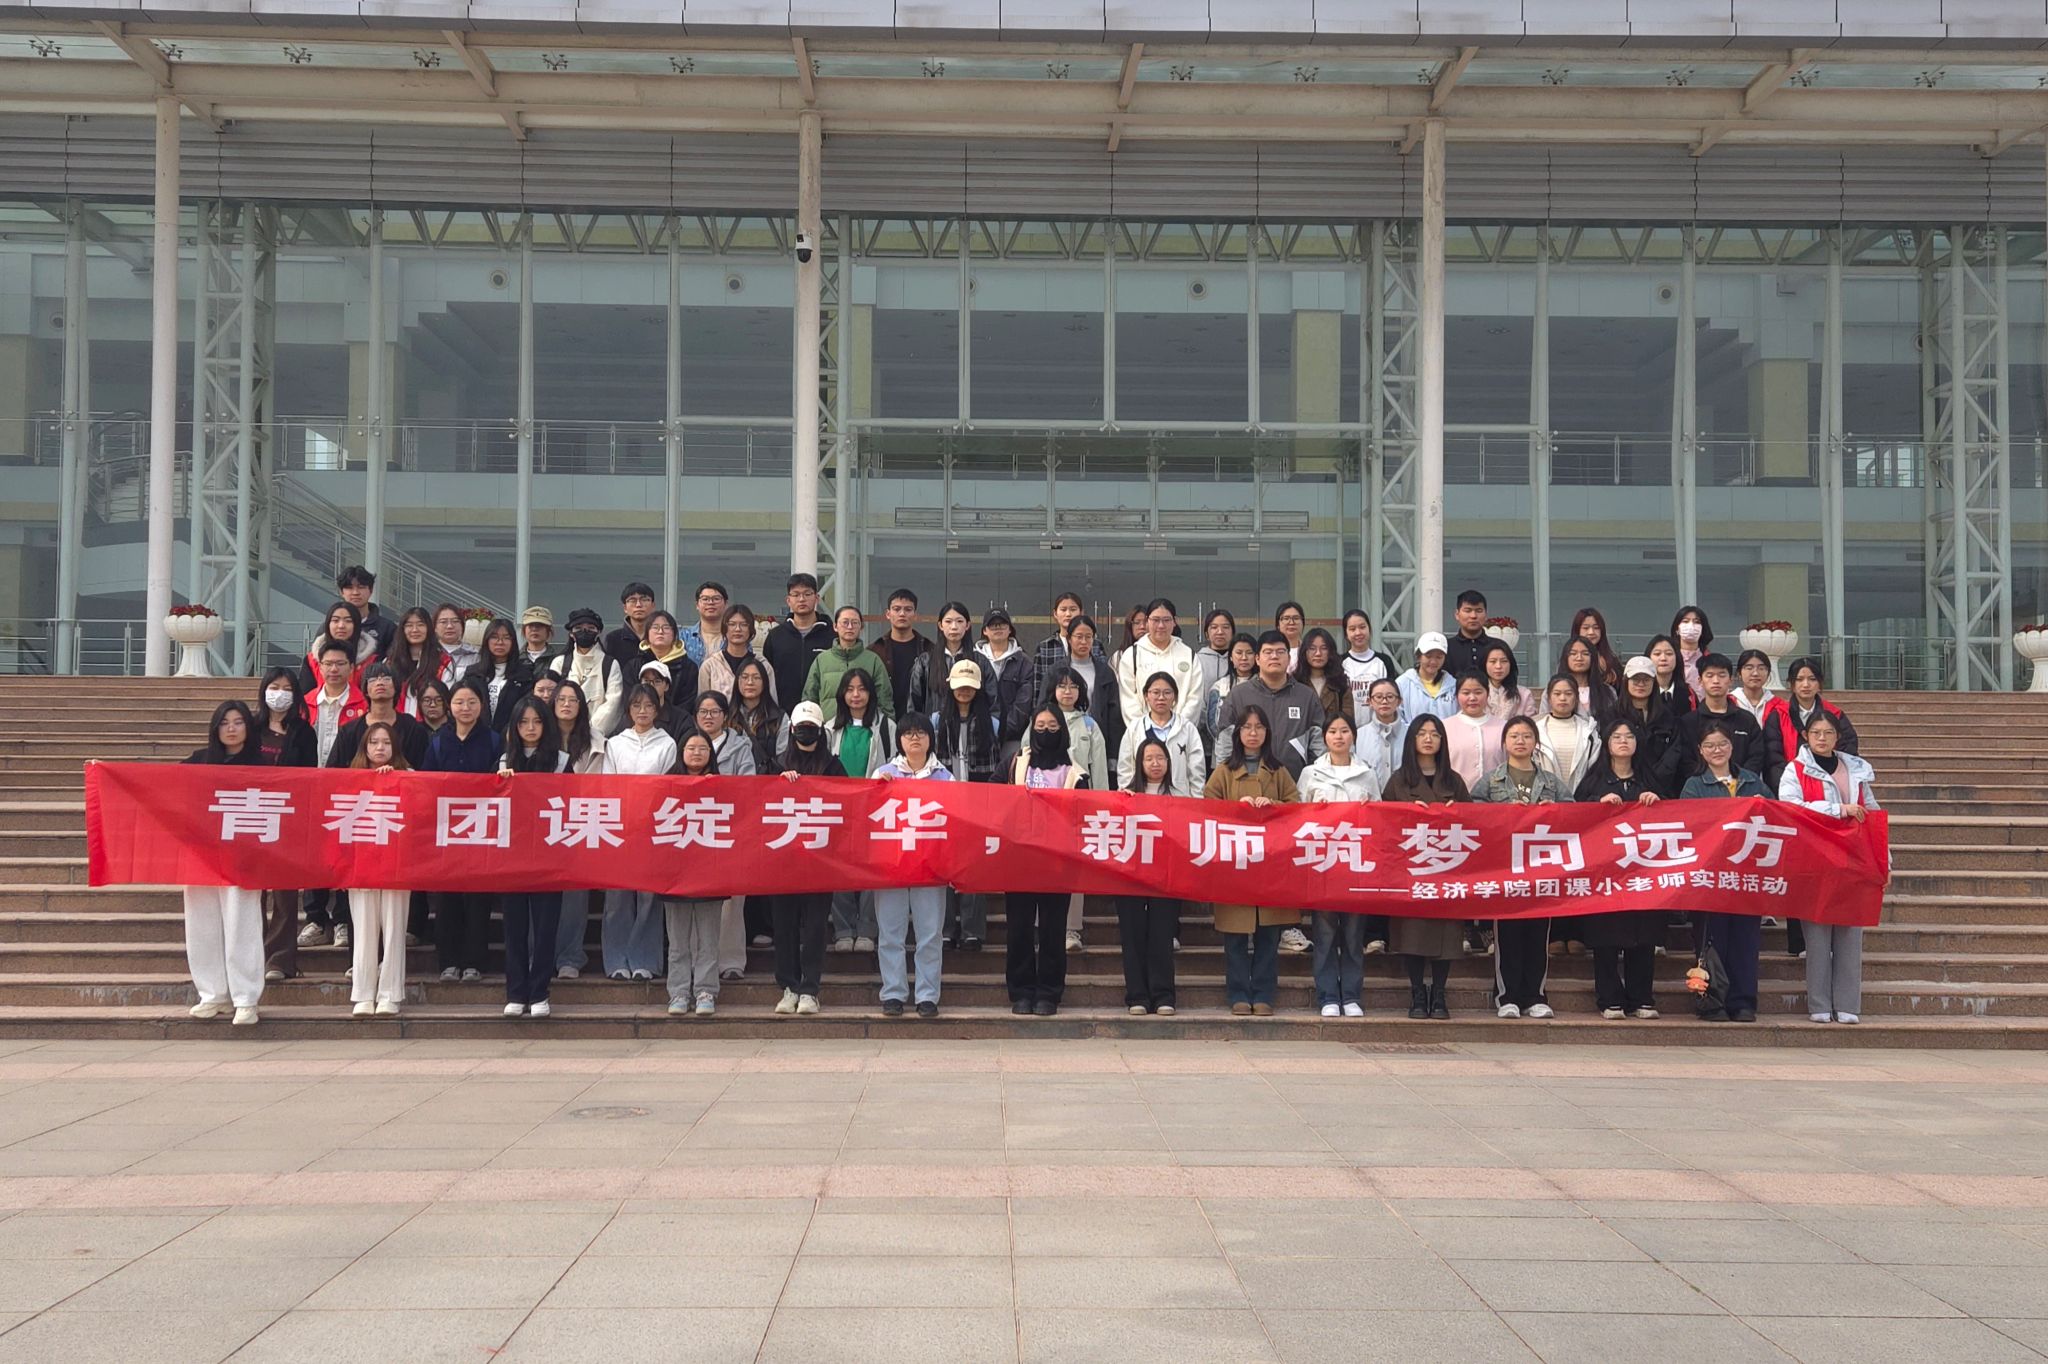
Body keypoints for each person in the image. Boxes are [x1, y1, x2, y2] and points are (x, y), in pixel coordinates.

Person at [1780, 709, 1882, 1025]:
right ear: (1806, 737)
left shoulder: (1855, 768)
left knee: (1850, 932)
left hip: (1854, 857)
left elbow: (1873, 813)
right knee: (1817, 936)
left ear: (1838, 737)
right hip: (1814, 858)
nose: (1822, 738)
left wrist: (1884, 859)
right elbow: (1790, 807)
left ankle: (1848, 1004)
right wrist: (1837, 809)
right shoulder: (1795, 769)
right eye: (1816, 733)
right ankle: (1820, 1003)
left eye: (1828, 733)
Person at [1204, 706, 1300, 1016]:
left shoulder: (1278, 770)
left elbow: (1296, 808)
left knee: (1268, 937)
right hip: (1235, 864)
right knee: (1234, 938)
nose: (1253, 733)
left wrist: (1273, 805)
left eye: (1259, 727)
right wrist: (1236, 807)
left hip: (1270, 865)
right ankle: (1238, 994)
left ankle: (1263, 994)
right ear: (1238, 733)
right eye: (1247, 727)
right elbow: (1207, 808)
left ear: (1267, 733)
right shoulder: (1224, 771)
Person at [1473, 716, 1566, 1019]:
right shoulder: (1492, 780)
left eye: (1527, 735)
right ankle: (1507, 997)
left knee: (1538, 935)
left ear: (1535, 742)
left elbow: (1575, 812)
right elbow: (1471, 812)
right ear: (1504, 742)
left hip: (1542, 870)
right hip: (1504, 869)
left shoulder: (1550, 781)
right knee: (1508, 935)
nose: (1520, 741)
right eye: (1514, 736)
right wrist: (1502, 812)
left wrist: (1553, 811)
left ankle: (1535, 996)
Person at [1679, 722, 1770, 1024]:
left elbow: (1776, 817)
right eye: (1709, 745)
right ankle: (1712, 1000)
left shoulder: (1753, 782)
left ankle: (1743, 1002)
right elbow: (1688, 827)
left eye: (1722, 744)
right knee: (1711, 941)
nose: (1716, 750)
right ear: (1700, 751)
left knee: (1746, 941)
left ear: (1732, 747)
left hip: (1746, 876)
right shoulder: (1694, 786)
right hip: (1709, 877)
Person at [182, 700, 266, 1026]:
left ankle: (246, 998)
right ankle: (213, 994)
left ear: (249, 726)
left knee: (242, 925)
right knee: (201, 925)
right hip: (202, 856)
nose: (231, 728)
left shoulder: (261, 764)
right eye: (224, 723)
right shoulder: (198, 761)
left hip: (242, 857)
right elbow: (158, 784)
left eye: (238, 722)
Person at [1576, 718, 1666, 1021]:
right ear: (1607, 743)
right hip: (1606, 874)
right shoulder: (1594, 781)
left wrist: (1657, 802)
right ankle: (1609, 999)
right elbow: (1575, 815)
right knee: (1606, 937)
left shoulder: (1649, 780)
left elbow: (1673, 819)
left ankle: (1642, 998)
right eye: (1617, 736)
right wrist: (1597, 804)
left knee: (1644, 936)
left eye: (1629, 736)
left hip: (1643, 873)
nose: (1623, 741)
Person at [1382, 715, 1470, 1020]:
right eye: (1422, 733)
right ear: (1412, 740)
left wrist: (1457, 813)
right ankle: (1417, 992)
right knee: (1413, 933)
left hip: (1447, 869)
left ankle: (1440, 993)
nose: (1429, 739)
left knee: (1447, 933)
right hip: (1412, 870)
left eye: (1435, 734)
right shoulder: (1399, 781)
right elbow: (1383, 824)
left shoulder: (1453, 781)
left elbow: (1475, 823)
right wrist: (1407, 813)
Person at [1007, 706, 1090, 1017]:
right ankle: (1021, 991)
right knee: (1019, 928)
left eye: (1052, 725)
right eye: (1040, 725)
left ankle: (1049, 992)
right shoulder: (1016, 763)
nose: (1045, 731)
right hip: (1019, 859)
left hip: (1057, 860)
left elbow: (1084, 813)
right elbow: (992, 796)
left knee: (1053, 931)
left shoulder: (1075, 773)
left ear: (1063, 731)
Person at [1299, 713, 1379, 1018]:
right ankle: (1328, 995)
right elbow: (1296, 816)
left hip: (1356, 864)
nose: (1339, 736)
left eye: (1344, 731)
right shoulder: (1311, 773)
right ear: (1325, 737)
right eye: (1333, 731)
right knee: (1325, 934)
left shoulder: (1366, 774)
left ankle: (1352, 995)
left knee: (1354, 935)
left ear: (1353, 736)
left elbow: (1379, 817)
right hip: (1323, 863)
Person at [421, 678, 501, 984]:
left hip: (482, 831)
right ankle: (448, 961)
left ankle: (474, 962)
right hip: (447, 832)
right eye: (459, 702)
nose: (465, 708)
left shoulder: (494, 740)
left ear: (481, 706)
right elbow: (427, 783)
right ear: (449, 706)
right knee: (447, 900)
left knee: (478, 900)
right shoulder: (438, 741)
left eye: (471, 702)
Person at [871, 713, 951, 1019]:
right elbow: (867, 815)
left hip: (930, 867)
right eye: (908, 733)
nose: (914, 738)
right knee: (890, 932)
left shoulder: (946, 777)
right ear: (899, 740)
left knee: (930, 934)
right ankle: (893, 992)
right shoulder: (883, 774)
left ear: (931, 738)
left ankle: (927, 995)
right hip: (890, 866)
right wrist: (877, 789)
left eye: (921, 733)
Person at [496, 696, 568, 1019]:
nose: (530, 728)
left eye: (537, 722)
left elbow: (572, 803)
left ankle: (540, 992)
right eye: (524, 722)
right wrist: (502, 785)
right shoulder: (503, 761)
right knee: (514, 928)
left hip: (549, 857)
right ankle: (516, 992)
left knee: (545, 929)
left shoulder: (561, 761)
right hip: (512, 857)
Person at [599, 684, 675, 982]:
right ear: (628, 710)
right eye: (636, 705)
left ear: (657, 709)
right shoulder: (616, 744)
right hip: (620, 828)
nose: (642, 711)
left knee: (648, 899)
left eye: (648, 706)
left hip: (653, 829)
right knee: (617, 898)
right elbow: (608, 786)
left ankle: (645, 960)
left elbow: (669, 787)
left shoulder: (667, 743)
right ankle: (616, 960)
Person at [295, 639, 368, 950]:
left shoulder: (363, 705)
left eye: (340, 664)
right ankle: (315, 919)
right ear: (319, 667)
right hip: (311, 789)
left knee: (344, 854)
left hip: (348, 792)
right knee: (313, 855)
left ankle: (341, 921)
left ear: (352, 668)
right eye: (328, 664)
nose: (334, 669)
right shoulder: (305, 703)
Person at [773, 702, 840, 1015]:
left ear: (820, 730)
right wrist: (778, 783)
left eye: (811, 728)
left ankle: (810, 989)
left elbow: (849, 803)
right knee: (784, 926)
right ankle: (789, 987)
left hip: (820, 862)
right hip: (783, 861)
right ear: (792, 730)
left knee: (815, 927)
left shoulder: (833, 766)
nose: (806, 732)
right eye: (801, 727)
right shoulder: (777, 765)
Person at [250, 668, 314, 982]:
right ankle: (250, 956)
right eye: (274, 687)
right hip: (249, 817)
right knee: (251, 894)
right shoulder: (250, 727)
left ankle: (280, 959)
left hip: (287, 818)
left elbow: (309, 774)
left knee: (285, 894)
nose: (280, 693)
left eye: (287, 688)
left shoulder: (303, 732)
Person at [344, 721, 410, 1018]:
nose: (380, 748)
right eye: (374, 742)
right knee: (363, 930)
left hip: (397, 865)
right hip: (361, 864)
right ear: (364, 747)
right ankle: (363, 993)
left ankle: (390, 994)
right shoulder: (350, 778)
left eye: (386, 742)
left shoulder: (409, 776)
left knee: (394, 929)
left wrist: (394, 780)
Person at [659, 731, 727, 1018]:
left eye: (702, 748)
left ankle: (705, 991)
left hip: (711, 874)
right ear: (681, 752)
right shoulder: (666, 785)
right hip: (675, 875)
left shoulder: (723, 787)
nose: (696, 753)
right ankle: (678, 992)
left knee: (708, 940)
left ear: (711, 753)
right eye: (691, 747)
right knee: (678, 942)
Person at [935, 662, 1001, 951]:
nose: (964, 691)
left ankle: (973, 930)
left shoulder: (992, 723)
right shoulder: (936, 721)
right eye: (960, 685)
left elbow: (996, 767)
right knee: (944, 866)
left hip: (977, 803)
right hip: (944, 802)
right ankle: (947, 928)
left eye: (969, 686)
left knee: (974, 867)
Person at [1116, 736, 1183, 1017]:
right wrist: (1122, 806)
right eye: (1149, 759)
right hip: (1130, 875)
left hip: (1166, 875)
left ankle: (1163, 994)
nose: (1155, 764)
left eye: (1160, 758)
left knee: (1161, 935)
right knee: (1132, 935)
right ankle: (1137, 996)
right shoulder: (1124, 796)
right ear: (1139, 763)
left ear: (1168, 762)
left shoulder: (1180, 798)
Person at [828, 668, 893, 952]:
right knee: (839, 869)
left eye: (862, 688)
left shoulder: (887, 728)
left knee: (871, 870)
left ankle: (867, 929)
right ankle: (843, 929)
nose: (856, 695)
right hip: (839, 810)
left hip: (875, 809)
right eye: (850, 689)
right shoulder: (830, 729)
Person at [1046, 664, 1110, 953]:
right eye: (1062, 686)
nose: (1067, 691)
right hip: (1045, 808)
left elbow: (1099, 771)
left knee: (1072, 868)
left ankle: (1071, 929)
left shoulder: (1089, 725)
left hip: (1078, 808)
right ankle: (1045, 927)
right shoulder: (1041, 720)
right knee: (1043, 867)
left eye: (1073, 686)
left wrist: (1101, 807)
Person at [1215, 629, 1326, 780]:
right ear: (1257, 659)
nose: (1274, 656)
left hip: (1295, 784)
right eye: (1268, 652)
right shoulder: (1238, 695)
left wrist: (1316, 780)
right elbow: (1225, 744)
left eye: (1280, 652)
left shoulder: (1306, 696)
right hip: (1247, 784)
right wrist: (1226, 779)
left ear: (1289, 658)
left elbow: (1319, 746)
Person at [550, 680, 605, 980]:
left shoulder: (596, 740)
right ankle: (541, 954)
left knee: (575, 896)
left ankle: (570, 956)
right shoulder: (539, 733)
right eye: (561, 699)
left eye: (573, 699)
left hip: (581, 822)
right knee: (542, 895)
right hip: (544, 823)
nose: (567, 704)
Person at [1760, 657, 1861, 790]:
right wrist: (1788, 788)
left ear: (1820, 683)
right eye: (1799, 679)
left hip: (1830, 787)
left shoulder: (1835, 715)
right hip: (1789, 787)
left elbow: (1848, 752)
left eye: (1812, 679)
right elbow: (1773, 759)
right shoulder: (1778, 715)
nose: (1806, 684)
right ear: (1791, 684)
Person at [1675, 653, 1764, 783]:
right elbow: (1686, 760)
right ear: (1700, 681)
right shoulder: (1688, 722)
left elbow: (1756, 757)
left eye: (1722, 675)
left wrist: (1738, 781)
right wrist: (1709, 782)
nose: (1716, 681)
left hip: (1742, 787)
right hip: (1701, 789)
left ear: (1731, 680)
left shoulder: (1746, 720)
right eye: (1709, 675)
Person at [1114, 597, 1200, 729]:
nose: (1161, 625)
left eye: (1166, 620)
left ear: (1174, 622)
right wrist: (1146, 730)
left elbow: (1195, 698)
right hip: (1143, 735)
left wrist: (1177, 729)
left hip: (1182, 733)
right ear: (1147, 621)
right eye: (1155, 620)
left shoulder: (1189, 655)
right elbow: (1128, 700)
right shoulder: (1132, 655)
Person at [327, 663, 428, 771]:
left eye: (386, 679)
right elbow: (333, 771)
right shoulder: (349, 731)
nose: (380, 683)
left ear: (396, 687)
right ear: (366, 689)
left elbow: (424, 772)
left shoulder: (413, 728)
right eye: (373, 680)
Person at [1117, 670, 1206, 793]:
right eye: (1155, 692)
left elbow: (1197, 771)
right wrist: (1127, 793)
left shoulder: (1187, 728)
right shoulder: (1135, 728)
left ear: (1175, 696)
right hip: (1142, 798)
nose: (1161, 698)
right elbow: (1125, 768)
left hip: (1179, 797)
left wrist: (1196, 799)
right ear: (1146, 696)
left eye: (1167, 693)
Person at [803, 604, 893, 724]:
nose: (850, 627)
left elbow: (885, 700)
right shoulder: (822, 660)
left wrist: (887, 727)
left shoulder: (873, 660)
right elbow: (809, 699)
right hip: (829, 728)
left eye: (855, 623)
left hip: (865, 729)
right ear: (835, 626)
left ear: (861, 627)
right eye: (845, 622)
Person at [1608, 656, 1683, 795]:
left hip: (1662, 790)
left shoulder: (1667, 715)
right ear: (1626, 681)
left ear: (1654, 682)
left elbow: (1674, 751)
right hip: (1623, 790)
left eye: (1646, 680)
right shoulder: (1612, 715)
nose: (1641, 684)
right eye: (1635, 679)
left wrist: (1654, 783)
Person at [907, 600, 995, 717]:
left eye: (959, 621)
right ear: (940, 625)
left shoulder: (980, 661)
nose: (954, 627)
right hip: (933, 726)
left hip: (974, 726)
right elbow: (914, 703)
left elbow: (994, 703)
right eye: (948, 621)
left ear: (967, 625)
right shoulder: (925, 661)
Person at [765, 572, 833, 709]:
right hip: (783, 713)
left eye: (807, 594)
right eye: (796, 595)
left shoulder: (832, 635)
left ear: (817, 598)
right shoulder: (776, 636)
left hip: (822, 712)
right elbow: (767, 675)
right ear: (788, 600)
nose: (801, 599)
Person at [550, 607, 623, 734]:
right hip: (561, 735)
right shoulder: (559, 663)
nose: (584, 632)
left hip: (598, 736)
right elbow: (551, 700)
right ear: (571, 634)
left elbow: (613, 703)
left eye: (591, 628)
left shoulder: (610, 664)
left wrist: (590, 733)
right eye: (578, 628)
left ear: (599, 632)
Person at [867, 587, 932, 720]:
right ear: (888, 614)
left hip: (919, 721)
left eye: (908, 609)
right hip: (883, 720)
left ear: (915, 615)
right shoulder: (874, 650)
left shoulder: (929, 649)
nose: (902, 614)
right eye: (896, 609)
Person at [465, 617, 535, 733]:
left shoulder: (524, 675)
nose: (500, 642)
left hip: (511, 735)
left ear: (513, 642)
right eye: (494, 637)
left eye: (506, 638)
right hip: (476, 735)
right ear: (486, 640)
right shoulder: (473, 673)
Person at [976, 607, 1035, 742]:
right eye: (992, 625)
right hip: (978, 735)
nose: (998, 627)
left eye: (1002, 624)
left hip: (1014, 737)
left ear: (1010, 629)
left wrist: (1003, 731)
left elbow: (1024, 703)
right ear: (985, 631)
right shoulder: (974, 659)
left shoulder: (1024, 662)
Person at [1535, 673, 1599, 793]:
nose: (1563, 698)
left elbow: (1594, 768)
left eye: (1568, 694)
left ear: (1576, 698)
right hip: (1544, 798)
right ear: (1549, 698)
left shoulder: (1589, 731)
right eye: (1557, 694)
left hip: (1581, 798)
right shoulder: (1535, 730)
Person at [1443, 672, 1506, 792]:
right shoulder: (1444, 727)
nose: (1472, 698)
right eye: (1466, 693)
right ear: (1457, 695)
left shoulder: (1503, 727)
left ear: (1487, 694)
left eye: (1478, 692)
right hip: (1456, 796)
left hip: (1496, 797)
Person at [299, 599, 374, 695]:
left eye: (348, 621)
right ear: (328, 625)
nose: (341, 626)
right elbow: (304, 696)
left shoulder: (371, 660)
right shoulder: (311, 661)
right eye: (335, 620)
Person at [386, 607, 450, 719]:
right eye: (409, 625)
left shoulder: (443, 662)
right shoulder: (391, 662)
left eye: (420, 625)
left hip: (431, 724)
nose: (415, 630)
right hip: (397, 724)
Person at [636, 610, 700, 717]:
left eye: (666, 627)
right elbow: (631, 699)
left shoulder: (689, 667)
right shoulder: (635, 665)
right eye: (655, 627)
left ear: (674, 634)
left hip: (677, 723)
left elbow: (687, 703)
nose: (660, 631)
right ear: (647, 633)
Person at [729, 657, 785, 777]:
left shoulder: (778, 717)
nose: (750, 682)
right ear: (737, 681)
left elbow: (783, 756)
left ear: (765, 682)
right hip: (733, 781)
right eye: (745, 677)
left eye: (756, 678)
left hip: (768, 781)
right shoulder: (726, 716)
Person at [1340, 610, 1399, 718]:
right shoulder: (1340, 662)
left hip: (1379, 724)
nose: (1358, 633)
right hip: (1348, 725)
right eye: (1352, 629)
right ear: (1346, 634)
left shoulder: (1384, 661)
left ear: (1369, 629)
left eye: (1362, 627)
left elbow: (1392, 695)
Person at [1355, 677, 1408, 795]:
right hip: (1369, 800)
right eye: (1378, 697)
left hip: (1404, 800)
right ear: (1369, 701)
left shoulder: (1410, 733)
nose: (1384, 701)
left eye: (1390, 697)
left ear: (1399, 701)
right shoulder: (1358, 735)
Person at [688, 690, 759, 777]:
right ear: (696, 716)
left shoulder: (740, 747)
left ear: (725, 716)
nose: (708, 716)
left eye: (715, 711)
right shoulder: (686, 744)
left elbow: (748, 780)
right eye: (703, 711)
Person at [1203, 631, 1259, 741]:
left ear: (1256, 656)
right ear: (1231, 657)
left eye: (1249, 653)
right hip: (1226, 746)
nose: (1244, 657)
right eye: (1239, 652)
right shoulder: (1220, 687)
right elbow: (1213, 725)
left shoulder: (1264, 684)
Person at [1294, 627, 1355, 727]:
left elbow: (1347, 723)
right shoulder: (1295, 683)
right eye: (1312, 648)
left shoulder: (1341, 685)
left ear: (1331, 652)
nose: (1318, 653)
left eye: (1324, 648)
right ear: (1305, 652)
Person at [603, 581, 657, 685]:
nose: (638, 605)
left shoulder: (660, 637)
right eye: (632, 600)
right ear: (625, 608)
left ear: (653, 605)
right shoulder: (613, 639)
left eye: (644, 599)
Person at [336, 564, 396, 658]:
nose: (355, 593)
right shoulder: (331, 627)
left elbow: (395, 661)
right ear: (341, 592)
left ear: (371, 590)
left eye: (361, 587)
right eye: (349, 588)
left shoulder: (387, 628)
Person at [1396, 631, 1457, 723]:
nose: (1433, 661)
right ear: (1419, 656)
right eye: (1428, 656)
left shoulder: (1452, 685)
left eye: (1439, 657)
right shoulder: (1403, 683)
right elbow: (1398, 717)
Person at [1570, 606, 1625, 693]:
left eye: (1596, 628)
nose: (1591, 632)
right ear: (1577, 630)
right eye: (1586, 628)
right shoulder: (1568, 659)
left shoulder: (1612, 660)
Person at [1558, 636, 1615, 718]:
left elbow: (1614, 722)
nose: (1579, 658)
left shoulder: (1608, 692)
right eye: (1573, 653)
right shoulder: (1554, 691)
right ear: (1566, 657)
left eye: (1585, 654)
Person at [1481, 640, 1537, 720]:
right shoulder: (1477, 693)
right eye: (1493, 661)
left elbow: (1531, 723)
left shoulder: (1524, 694)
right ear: (1484, 664)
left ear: (1511, 664)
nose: (1498, 666)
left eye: (1504, 661)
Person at [1192, 608, 1238, 706]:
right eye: (1214, 627)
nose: (1220, 632)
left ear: (1233, 632)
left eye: (1225, 627)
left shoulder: (1239, 659)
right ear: (1206, 634)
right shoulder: (1196, 660)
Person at [1671, 604, 1714, 703]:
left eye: (1697, 622)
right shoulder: (1670, 659)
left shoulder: (1710, 661)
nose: (1691, 626)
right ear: (1677, 629)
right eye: (1685, 621)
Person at [1445, 588, 1492, 678]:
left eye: (1479, 611)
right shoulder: (1446, 648)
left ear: (1486, 615)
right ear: (1457, 614)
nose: (1473, 616)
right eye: (1467, 610)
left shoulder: (1497, 646)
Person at [680, 580, 728, 664]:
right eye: (705, 599)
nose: (710, 603)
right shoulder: (683, 636)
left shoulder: (734, 636)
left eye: (716, 599)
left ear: (726, 604)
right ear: (697, 605)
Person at [433, 602, 479, 677]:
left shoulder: (474, 655)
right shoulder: (428, 653)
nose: (449, 626)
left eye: (455, 621)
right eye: (443, 622)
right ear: (435, 627)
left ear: (462, 626)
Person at [1731, 648, 1775, 724]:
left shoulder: (1780, 706)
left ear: (1768, 673)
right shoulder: (1728, 703)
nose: (1755, 673)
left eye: (1761, 668)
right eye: (1749, 668)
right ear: (1739, 673)